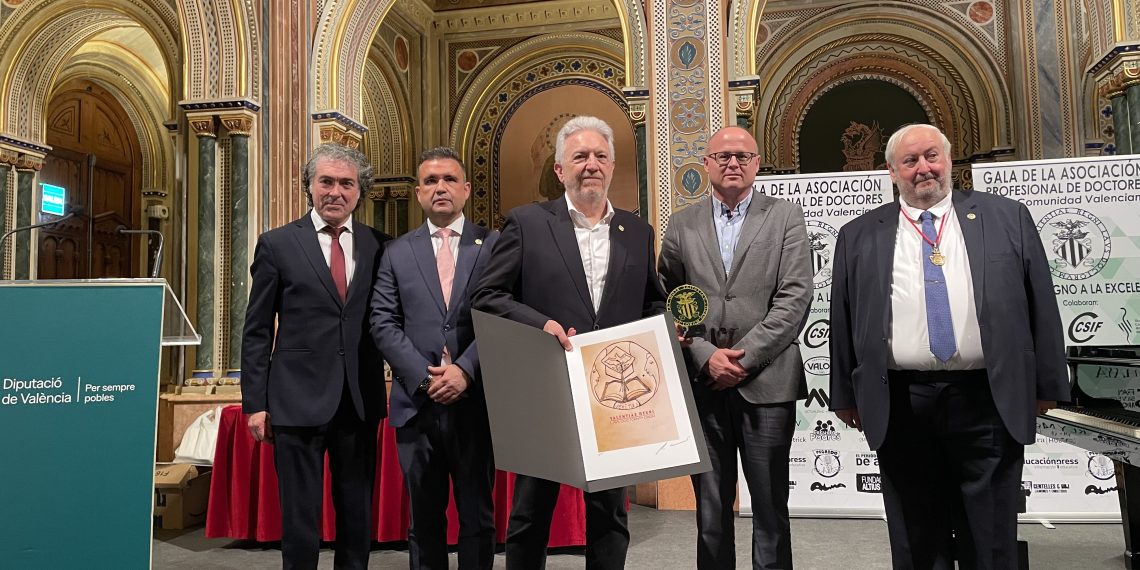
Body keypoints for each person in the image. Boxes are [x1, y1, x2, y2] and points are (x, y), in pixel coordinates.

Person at [828, 123, 1068, 569]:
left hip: (987, 397)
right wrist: (843, 393)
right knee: (917, 535)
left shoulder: (1007, 217)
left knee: (992, 535)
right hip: (901, 400)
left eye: (932, 156)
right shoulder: (859, 234)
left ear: (950, 160)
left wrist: (1048, 382)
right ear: (891, 171)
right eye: (911, 161)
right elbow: (842, 320)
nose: (924, 169)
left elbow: (1041, 304)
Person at [472, 115, 666, 569]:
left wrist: (663, 329)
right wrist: (540, 324)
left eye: (600, 156)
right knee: (531, 514)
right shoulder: (526, 223)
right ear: (560, 169)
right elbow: (487, 296)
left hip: (615, 397)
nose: (591, 164)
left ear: (613, 166)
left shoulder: (638, 233)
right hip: (548, 390)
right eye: (579, 156)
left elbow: (653, 304)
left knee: (610, 515)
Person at [658, 126, 812, 569]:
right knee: (710, 511)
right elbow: (669, 298)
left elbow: (795, 297)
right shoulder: (682, 224)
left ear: (757, 163)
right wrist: (706, 356)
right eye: (723, 156)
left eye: (743, 156)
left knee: (769, 510)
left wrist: (743, 359)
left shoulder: (786, 216)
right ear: (705, 163)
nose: (733, 164)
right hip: (704, 386)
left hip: (767, 384)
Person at [241, 143, 391, 570]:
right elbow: (255, 331)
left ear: (360, 191)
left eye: (346, 183)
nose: (335, 192)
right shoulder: (277, 244)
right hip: (294, 402)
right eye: (326, 181)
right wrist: (256, 404)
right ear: (309, 186)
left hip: (359, 400)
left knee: (356, 516)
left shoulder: (381, 246)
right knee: (301, 519)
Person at [369, 147, 499, 569]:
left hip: (476, 402)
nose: (439, 188)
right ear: (418, 192)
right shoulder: (396, 252)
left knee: (478, 517)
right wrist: (426, 380)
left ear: (465, 189)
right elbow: (383, 322)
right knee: (423, 520)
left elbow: (503, 316)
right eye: (430, 181)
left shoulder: (494, 245)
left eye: (448, 180)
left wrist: (465, 371)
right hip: (417, 406)